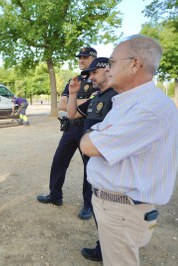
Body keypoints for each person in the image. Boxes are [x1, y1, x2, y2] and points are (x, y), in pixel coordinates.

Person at [80, 35, 178, 265]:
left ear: (135, 64)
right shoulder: (130, 102)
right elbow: (94, 135)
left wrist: (95, 134)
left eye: (112, 62)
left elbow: (88, 145)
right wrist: (98, 133)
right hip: (118, 206)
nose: (107, 69)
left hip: (122, 210)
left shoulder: (148, 109)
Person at [67, 57, 118, 262]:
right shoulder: (97, 98)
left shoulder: (118, 98)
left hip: (110, 167)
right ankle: (104, 247)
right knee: (101, 211)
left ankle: (111, 251)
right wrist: (72, 93)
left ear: (107, 70)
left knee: (111, 211)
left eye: (94, 72)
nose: (91, 78)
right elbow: (71, 114)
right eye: (89, 73)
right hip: (94, 164)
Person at [36, 47, 97, 220]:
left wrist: (74, 101)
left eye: (85, 57)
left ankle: (88, 205)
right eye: (79, 57)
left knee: (89, 167)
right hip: (71, 126)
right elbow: (62, 104)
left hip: (88, 128)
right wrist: (85, 102)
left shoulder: (97, 79)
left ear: (94, 58)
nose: (81, 60)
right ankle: (55, 195)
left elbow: (98, 103)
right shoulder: (74, 79)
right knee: (59, 160)